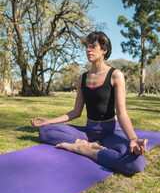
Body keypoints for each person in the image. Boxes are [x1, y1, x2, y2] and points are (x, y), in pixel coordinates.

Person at [30, 31, 148, 174]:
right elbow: (76, 112)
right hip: (88, 132)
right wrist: (49, 121)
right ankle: (87, 144)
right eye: (87, 46)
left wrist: (133, 138)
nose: (88, 49)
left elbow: (122, 113)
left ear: (104, 50)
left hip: (109, 132)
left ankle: (84, 149)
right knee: (45, 131)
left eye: (93, 46)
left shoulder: (116, 75)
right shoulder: (82, 78)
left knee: (136, 163)